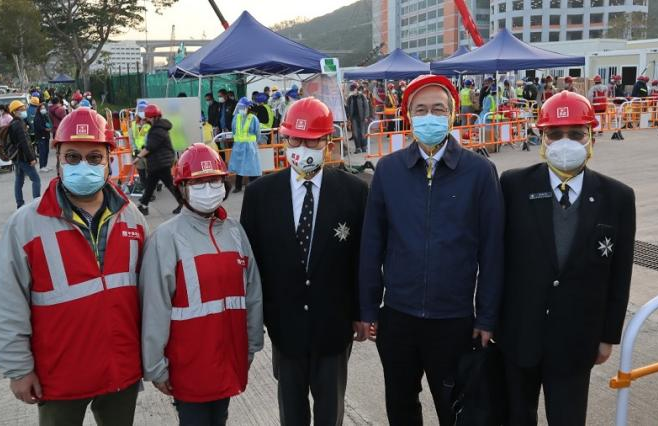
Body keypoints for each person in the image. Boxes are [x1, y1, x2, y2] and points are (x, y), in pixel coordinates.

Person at [358, 75, 504, 426]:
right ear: (408, 116)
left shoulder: (479, 172)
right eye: (420, 109)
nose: (429, 116)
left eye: (438, 109)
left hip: (453, 320)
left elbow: (493, 250)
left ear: (452, 116)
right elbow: (372, 244)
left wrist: (486, 317)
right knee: (401, 406)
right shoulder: (389, 171)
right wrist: (368, 307)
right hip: (398, 316)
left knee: (454, 407)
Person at [0, 107, 148, 425]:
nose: (83, 166)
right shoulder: (25, 225)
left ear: (109, 160)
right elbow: (8, 304)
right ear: (59, 158)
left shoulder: (132, 218)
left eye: (94, 158)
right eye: (73, 157)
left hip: (120, 370)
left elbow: (150, 296)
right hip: (59, 376)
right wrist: (18, 369)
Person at [498, 91, 635, 426]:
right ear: (541, 137)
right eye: (555, 134)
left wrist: (608, 336)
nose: (565, 142)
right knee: (517, 416)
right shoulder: (513, 186)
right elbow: (496, 260)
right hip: (519, 335)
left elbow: (620, 273)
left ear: (591, 136)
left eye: (576, 134)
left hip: (577, 340)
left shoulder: (617, 197)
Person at [241, 97, 369, 426]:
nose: (303, 147)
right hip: (285, 327)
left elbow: (361, 258)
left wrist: (360, 313)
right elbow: (251, 266)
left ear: (328, 142)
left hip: (334, 325)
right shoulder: (259, 196)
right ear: (283, 141)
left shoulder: (354, 193)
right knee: (292, 413)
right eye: (295, 139)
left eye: (312, 139)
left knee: (330, 413)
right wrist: (258, 319)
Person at [140, 143, 263, 426]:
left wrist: (252, 344)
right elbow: (154, 307)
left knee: (219, 418)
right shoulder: (165, 238)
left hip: (229, 358)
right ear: (182, 188)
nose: (208, 188)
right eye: (198, 182)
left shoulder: (234, 231)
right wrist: (156, 366)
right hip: (188, 367)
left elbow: (252, 292)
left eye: (214, 180)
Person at [134, 104, 183, 215]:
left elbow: (150, 147)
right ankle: (144, 206)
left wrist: (138, 157)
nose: (147, 120)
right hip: (158, 162)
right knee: (150, 185)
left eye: (148, 118)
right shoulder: (157, 128)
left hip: (161, 162)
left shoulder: (158, 130)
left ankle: (183, 204)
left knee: (170, 185)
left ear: (154, 117)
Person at [7, 101, 41, 209]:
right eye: (21, 109)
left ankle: (20, 204)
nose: (24, 111)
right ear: (15, 112)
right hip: (23, 157)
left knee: (19, 180)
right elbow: (25, 143)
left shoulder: (14, 123)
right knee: (36, 179)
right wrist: (31, 158)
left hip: (17, 157)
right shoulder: (18, 124)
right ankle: (37, 203)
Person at [229, 97, 262, 192]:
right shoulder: (236, 117)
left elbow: (257, 132)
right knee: (239, 167)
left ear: (248, 107)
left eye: (242, 107)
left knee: (252, 167)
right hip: (239, 146)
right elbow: (234, 130)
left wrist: (255, 142)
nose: (240, 109)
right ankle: (238, 187)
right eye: (239, 107)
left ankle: (254, 186)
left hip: (250, 146)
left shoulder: (253, 118)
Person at [345, 82, 370, 154]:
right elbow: (348, 108)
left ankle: (364, 147)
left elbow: (366, 107)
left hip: (362, 117)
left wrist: (366, 116)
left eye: (354, 89)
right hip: (354, 118)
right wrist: (348, 118)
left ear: (356, 89)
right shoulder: (350, 98)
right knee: (355, 133)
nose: (353, 90)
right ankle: (358, 148)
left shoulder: (362, 96)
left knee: (362, 133)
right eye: (351, 89)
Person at [33, 102, 53, 172]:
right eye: (41, 108)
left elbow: (48, 123)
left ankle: (45, 165)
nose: (43, 109)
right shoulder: (37, 118)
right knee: (42, 151)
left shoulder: (45, 116)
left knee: (46, 151)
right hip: (41, 136)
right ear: (39, 109)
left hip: (46, 136)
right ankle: (42, 166)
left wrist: (49, 128)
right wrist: (45, 129)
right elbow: (39, 127)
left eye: (44, 108)